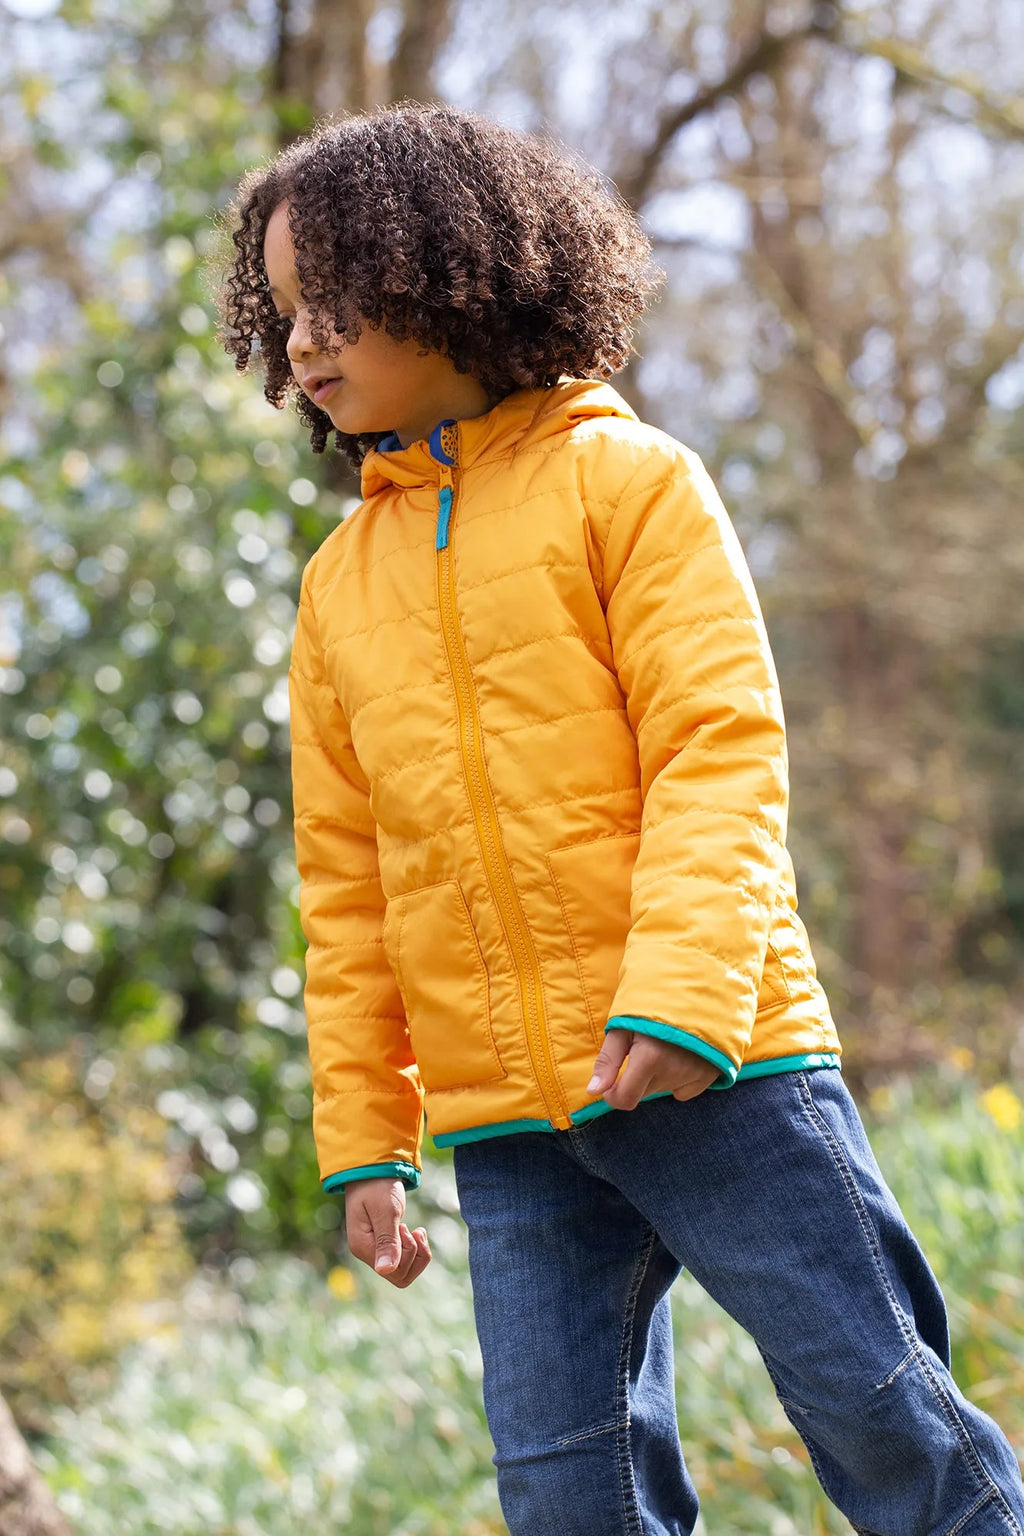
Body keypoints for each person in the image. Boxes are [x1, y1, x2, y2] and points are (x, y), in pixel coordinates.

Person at [218, 103, 1024, 1536]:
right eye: (284, 312)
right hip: (510, 1128)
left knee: (878, 1409)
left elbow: (720, 751)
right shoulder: (337, 585)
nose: (303, 343)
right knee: (564, 1494)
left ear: (451, 275)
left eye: (336, 299)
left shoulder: (631, 484)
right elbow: (343, 884)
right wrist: (367, 1134)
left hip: (719, 1068)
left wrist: (682, 1000)